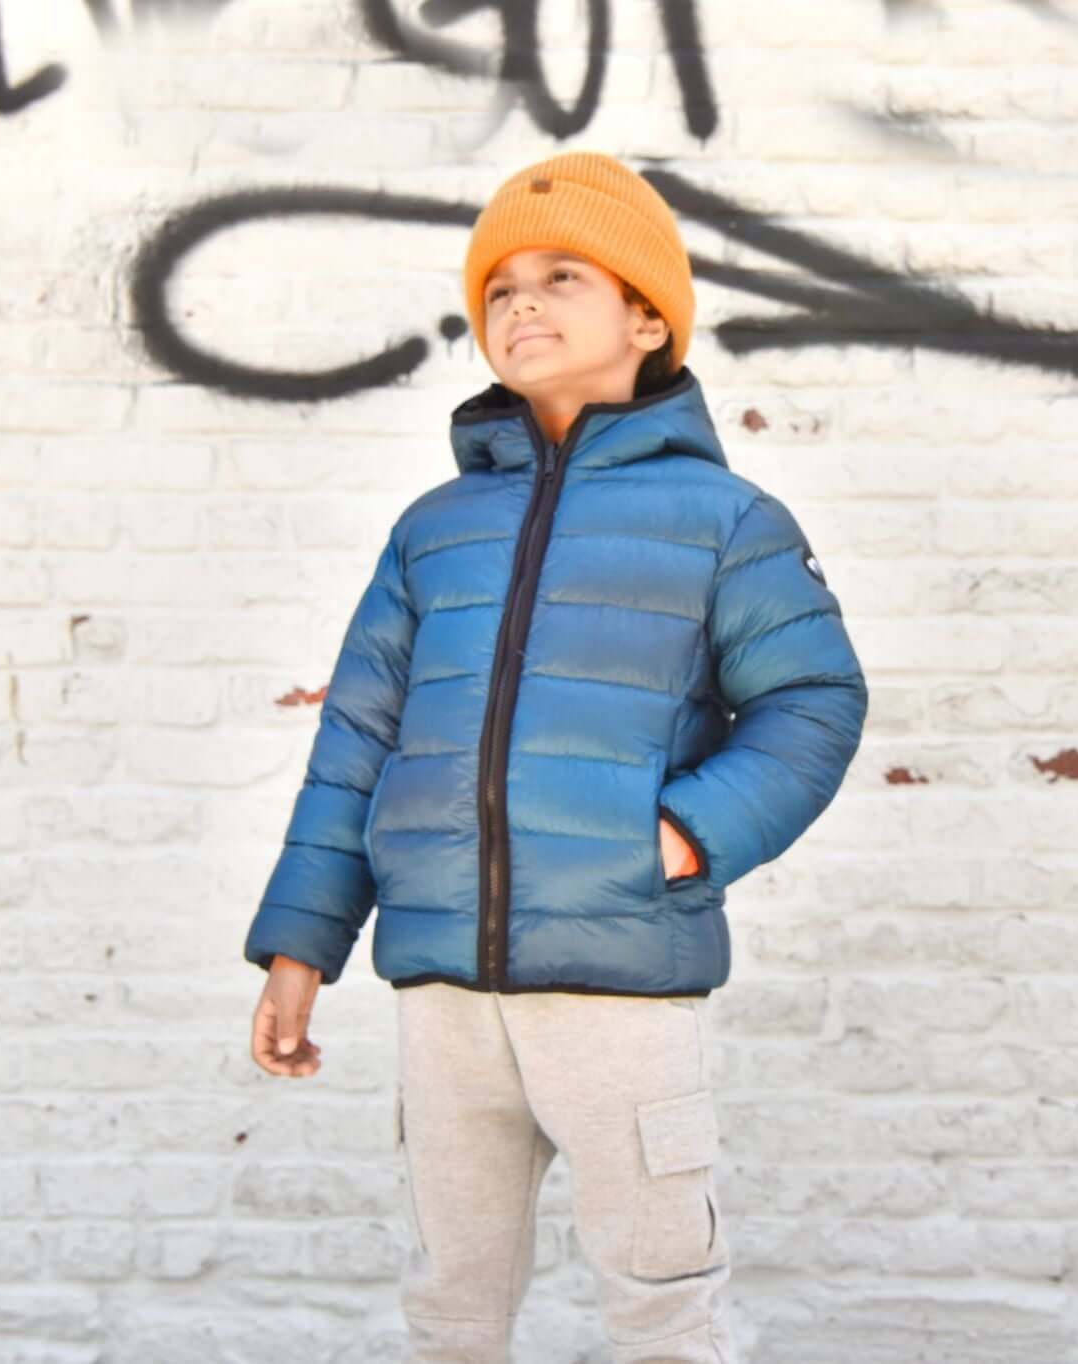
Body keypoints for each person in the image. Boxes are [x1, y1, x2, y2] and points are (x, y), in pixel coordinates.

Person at [241, 149, 868, 1363]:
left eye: (560, 276)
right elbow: (356, 740)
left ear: (645, 314)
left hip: (621, 980)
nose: (518, 304)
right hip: (442, 992)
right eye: (497, 289)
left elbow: (812, 701)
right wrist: (299, 943)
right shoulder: (435, 531)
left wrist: (682, 831)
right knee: (451, 1303)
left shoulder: (723, 521)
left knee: (658, 1299)